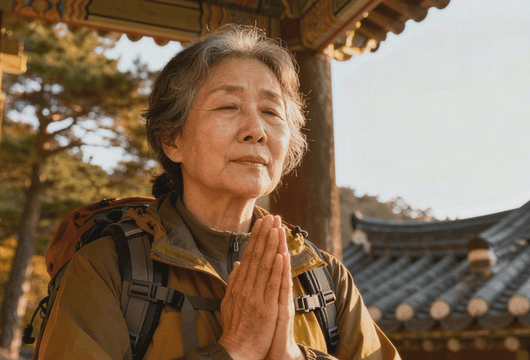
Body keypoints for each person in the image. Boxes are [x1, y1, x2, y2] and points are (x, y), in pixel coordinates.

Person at [37, 24, 400, 360]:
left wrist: (292, 355)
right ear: (172, 140)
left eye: (272, 112)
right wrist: (234, 350)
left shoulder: (324, 278)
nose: (255, 130)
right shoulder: (108, 267)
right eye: (229, 106)